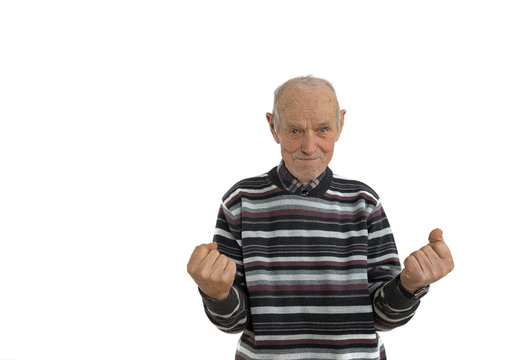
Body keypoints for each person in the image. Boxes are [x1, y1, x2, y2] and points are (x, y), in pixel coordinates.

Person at [187, 76, 454, 360]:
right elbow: (234, 322)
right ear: (272, 126)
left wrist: (409, 286)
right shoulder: (240, 201)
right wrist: (216, 293)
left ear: (340, 124)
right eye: (294, 131)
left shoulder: (364, 203)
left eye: (323, 129)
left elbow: (381, 318)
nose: (309, 147)